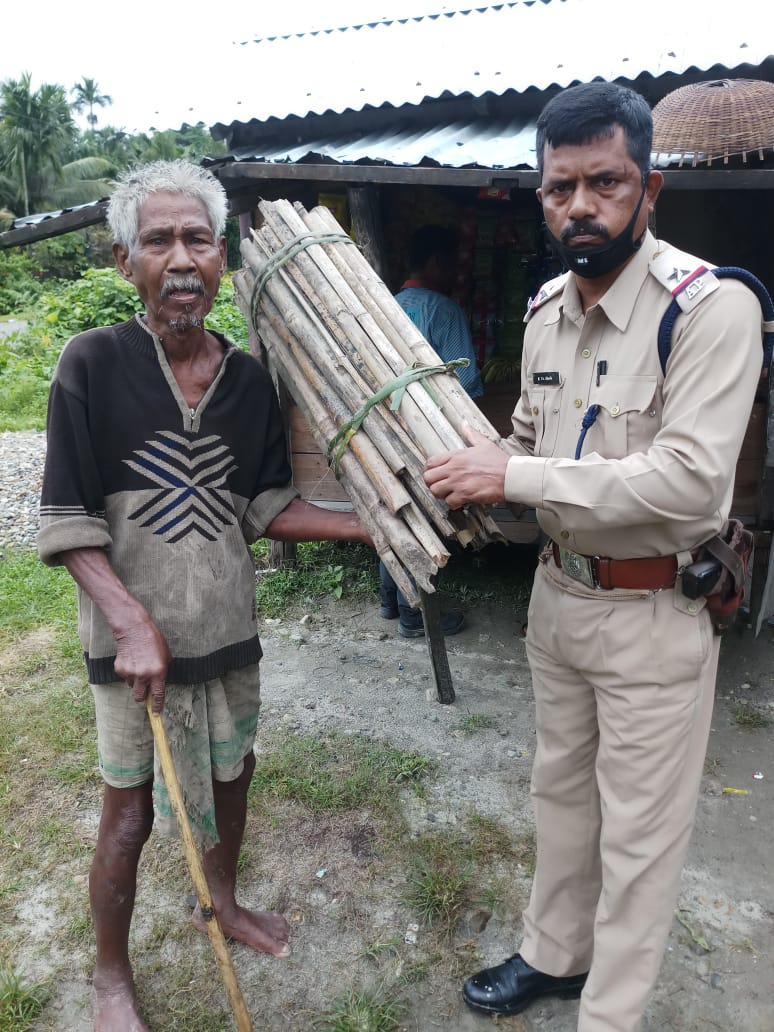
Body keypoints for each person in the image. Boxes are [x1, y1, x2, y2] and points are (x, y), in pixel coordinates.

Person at [422, 82, 762, 1031]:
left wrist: (513, 481)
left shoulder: (708, 309)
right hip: (558, 602)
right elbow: (525, 444)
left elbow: (688, 485)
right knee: (561, 798)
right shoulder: (542, 312)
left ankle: (608, 1014)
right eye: (559, 187)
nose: (580, 206)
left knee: (643, 837)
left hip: (654, 615)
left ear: (649, 187)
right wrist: (469, 490)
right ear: (541, 195)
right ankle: (553, 953)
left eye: (604, 183)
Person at [37, 159, 372, 1032]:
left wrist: (376, 525)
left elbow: (265, 507)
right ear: (124, 260)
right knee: (133, 812)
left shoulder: (250, 381)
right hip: (132, 653)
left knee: (233, 776)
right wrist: (128, 620)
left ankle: (219, 902)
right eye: (159, 240)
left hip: (226, 633)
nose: (180, 258)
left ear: (222, 257)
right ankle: (111, 977)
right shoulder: (92, 363)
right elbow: (68, 518)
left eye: (198, 239)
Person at [379, 224, 483, 637]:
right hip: (426, 431)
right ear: (437, 262)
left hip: (381, 427)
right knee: (417, 511)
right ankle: (413, 613)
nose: (455, 272)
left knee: (388, 505)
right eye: (452, 263)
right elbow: (469, 381)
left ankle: (390, 601)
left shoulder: (379, 304)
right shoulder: (444, 310)